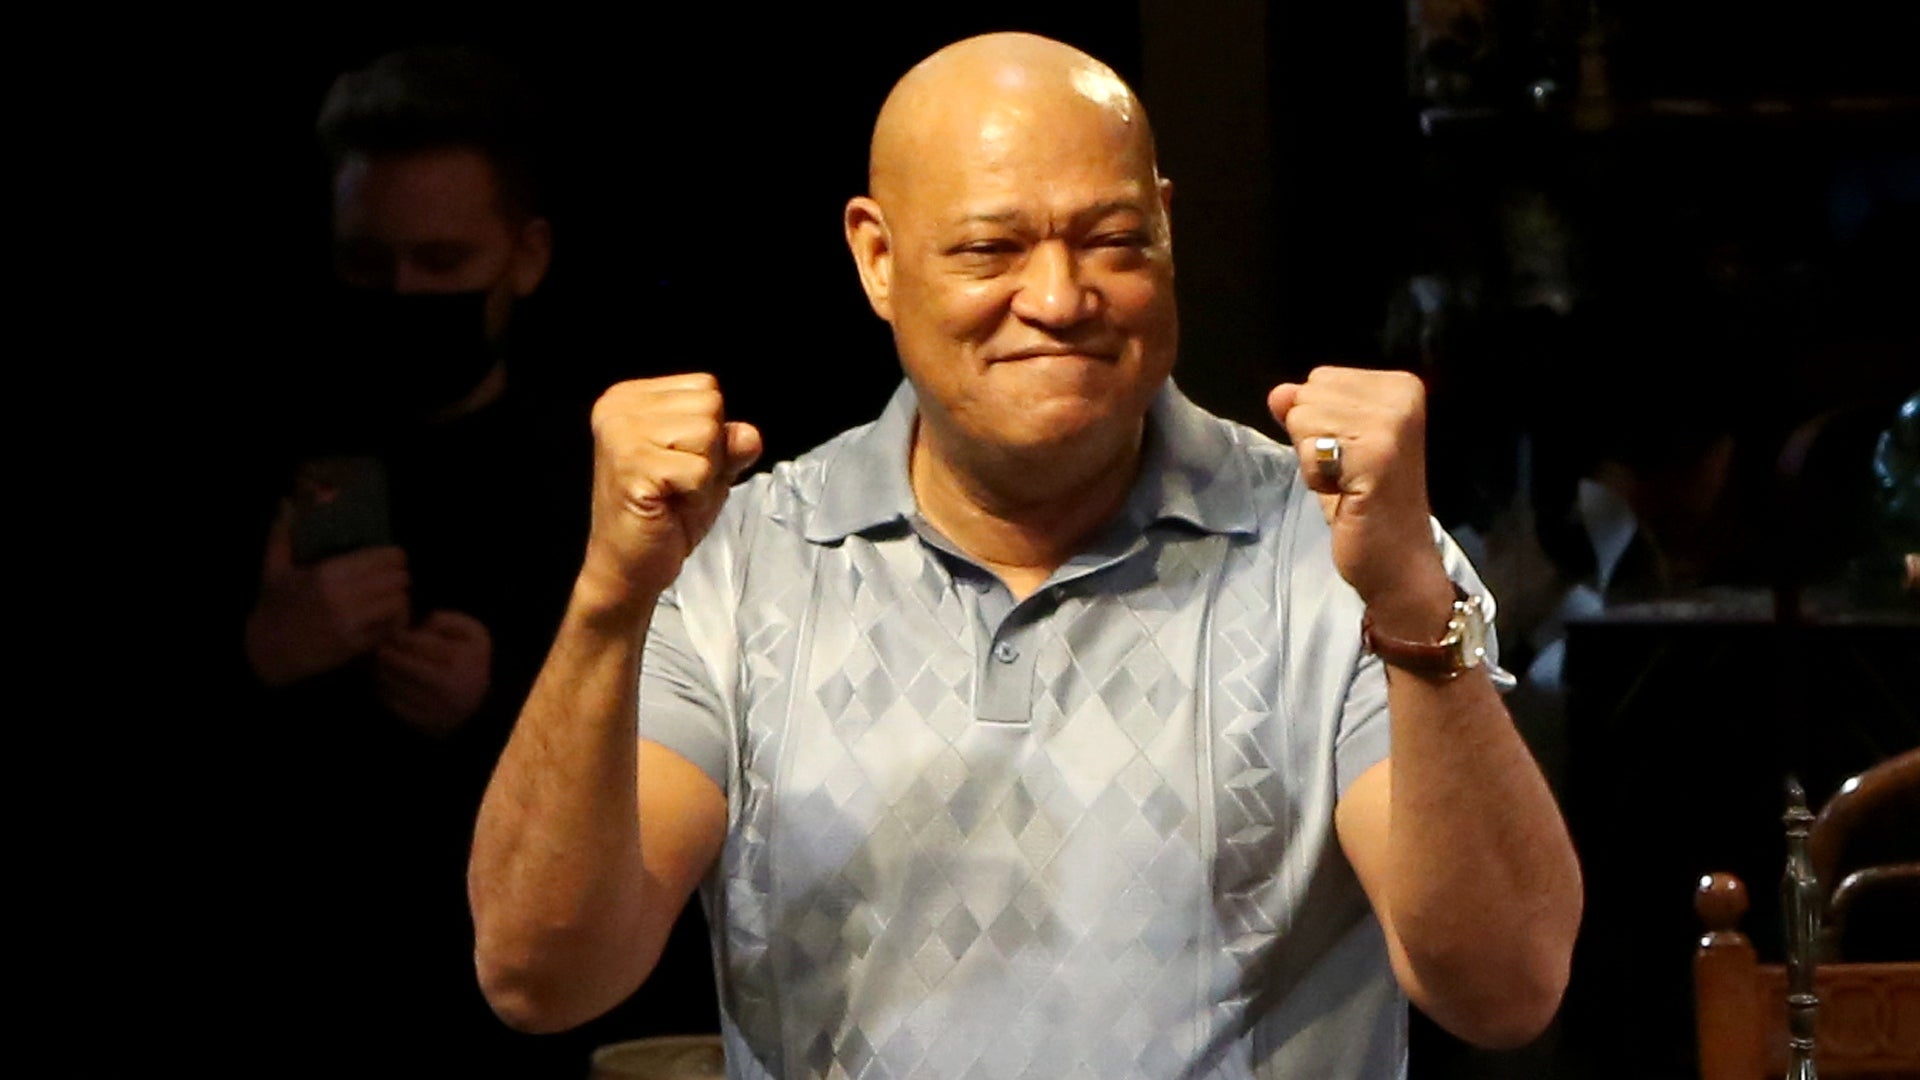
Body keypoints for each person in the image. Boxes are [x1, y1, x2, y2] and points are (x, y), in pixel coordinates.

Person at [469, 32, 1582, 1078]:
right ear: (877, 257)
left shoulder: (1339, 552)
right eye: (989, 249)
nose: (1057, 299)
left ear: (1167, 230)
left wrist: (1409, 601)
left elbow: (1504, 988)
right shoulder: (742, 563)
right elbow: (542, 976)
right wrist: (609, 602)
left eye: (1111, 240)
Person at [236, 44, 624, 1072]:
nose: (402, 295)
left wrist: (501, 712)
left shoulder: (599, 479)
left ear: (525, 258)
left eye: (442, 264)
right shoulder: (257, 453)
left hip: (504, 1023)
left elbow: (662, 776)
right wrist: (265, 653)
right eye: (367, 264)